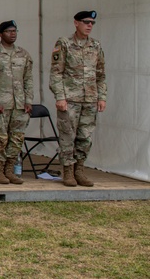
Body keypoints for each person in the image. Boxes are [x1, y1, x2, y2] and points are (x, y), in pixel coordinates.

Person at [50, 10, 107, 187]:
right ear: (76, 23)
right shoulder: (64, 43)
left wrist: (102, 96)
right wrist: (60, 97)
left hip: (89, 99)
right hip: (70, 99)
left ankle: (79, 170)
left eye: (92, 23)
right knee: (68, 136)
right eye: (86, 22)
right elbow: (56, 73)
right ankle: (68, 171)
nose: (89, 25)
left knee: (85, 137)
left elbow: (101, 74)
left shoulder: (96, 45)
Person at [0, 20, 33, 185]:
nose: (13, 34)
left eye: (15, 31)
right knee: (0, 138)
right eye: (9, 31)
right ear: (0, 34)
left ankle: (10, 170)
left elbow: (28, 79)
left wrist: (29, 100)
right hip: (1, 105)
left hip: (20, 105)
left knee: (17, 138)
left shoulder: (23, 54)